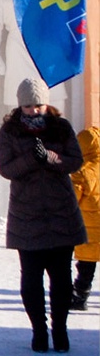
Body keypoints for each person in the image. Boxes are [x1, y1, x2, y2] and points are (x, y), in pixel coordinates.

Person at [0, 78, 87, 352]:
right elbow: (6, 168)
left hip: (61, 213)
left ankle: (60, 329)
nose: (34, 111)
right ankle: (38, 330)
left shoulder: (60, 127)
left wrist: (49, 156)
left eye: (38, 105)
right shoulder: (9, 131)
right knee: (31, 278)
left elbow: (75, 160)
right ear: (20, 105)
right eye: (28, 106)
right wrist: (30, 159)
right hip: (27, 215)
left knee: (61, 278)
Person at [70, 127, 99, 311]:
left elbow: (72, 197)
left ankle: (80, 296)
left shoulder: (83, 171)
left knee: (87, 266)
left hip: (90, 228)